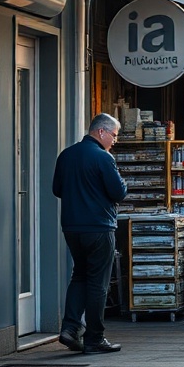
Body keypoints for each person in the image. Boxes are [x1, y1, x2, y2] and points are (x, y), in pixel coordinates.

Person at [53, 113, 127, 354]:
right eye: (114, 135)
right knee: (98, 283)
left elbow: (57, 189)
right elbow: (118, 192)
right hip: (99, 226)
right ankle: (95, 338)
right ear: (101, 131)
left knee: (80, 276)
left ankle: (70, 328)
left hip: (72, 227)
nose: (115, 140)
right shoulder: (103, 157)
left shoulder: (66, 155)